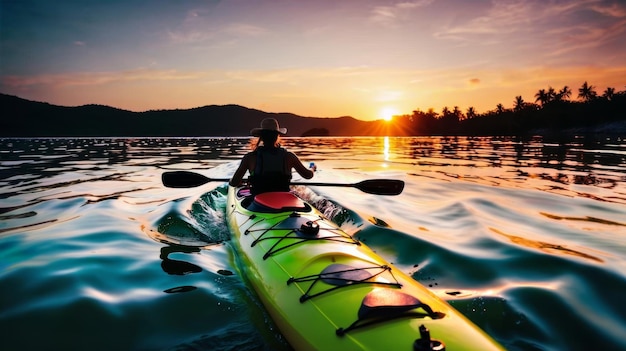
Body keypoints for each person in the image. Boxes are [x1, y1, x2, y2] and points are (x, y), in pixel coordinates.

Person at [229, 118, 316, 194]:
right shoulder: (289, 156)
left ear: (261, 137)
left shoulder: (250, 157)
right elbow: (308, 175)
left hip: (258, 202)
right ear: (277, 136)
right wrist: (312, 168)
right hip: (283, 199)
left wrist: (239, 182)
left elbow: (234, 183)